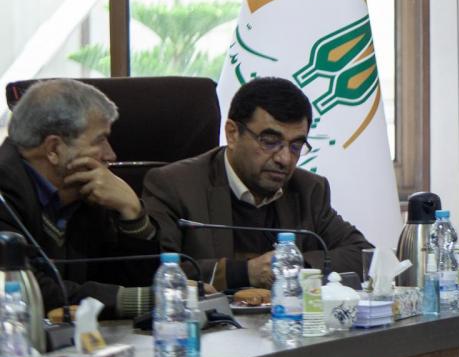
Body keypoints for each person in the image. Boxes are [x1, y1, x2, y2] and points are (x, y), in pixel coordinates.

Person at [144, 77, 372, 291]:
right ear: (232, 134)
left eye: (295, 146)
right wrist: (242, 273)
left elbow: (362, 254)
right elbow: (154, 273)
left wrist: (293, 265)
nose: (284, 159)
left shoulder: (308, 189)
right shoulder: (175, 185)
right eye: (270, 141)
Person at [0, 79, 158, 317]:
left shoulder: (86, 190)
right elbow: (25, 289)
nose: (111, 154)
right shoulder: (4, 191)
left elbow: (132, 280)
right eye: (100, 140)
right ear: (54, 149)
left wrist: (132, 212)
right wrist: (131, 300)